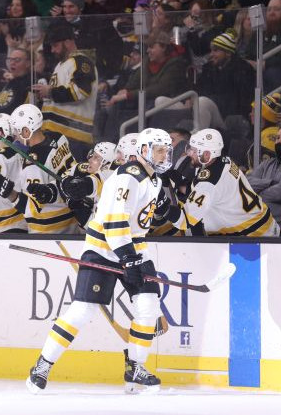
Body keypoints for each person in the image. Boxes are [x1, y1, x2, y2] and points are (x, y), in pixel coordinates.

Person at [26, 128, 175, 395]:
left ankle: (135, 367)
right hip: (103, 249)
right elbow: (114, 223)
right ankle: (42, 365)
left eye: (166, 150)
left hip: (135, 249)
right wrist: (128, 259)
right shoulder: (129, 177)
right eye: (158, 150)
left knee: (148, 305)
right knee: (83, 310)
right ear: (143, 150)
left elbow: (137, 226)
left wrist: (133, 257)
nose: (164, 155)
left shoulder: (154, 181)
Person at [0, 103, 79, 234]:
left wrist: (7, 191)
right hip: (72, 216)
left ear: (26, 131)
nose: (15, 136)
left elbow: (31, 209)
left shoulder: (32, 166)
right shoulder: (58, 137)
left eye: (17, 131)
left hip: (51, 229)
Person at [184, 128, 280, 236]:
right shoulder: (225, 161)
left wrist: (166, 209)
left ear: (207, 154)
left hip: (253, 234)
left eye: (194, 150)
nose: (189, 153)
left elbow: (186, 219)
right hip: (264, 221)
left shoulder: (209, 180)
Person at [33, 20, 97, 159]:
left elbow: (81, 91)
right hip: (57, 133)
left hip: (74, 136)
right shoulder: (61, 65)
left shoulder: (81, 61)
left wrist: (50, 92)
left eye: (55, 45)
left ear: (67, 42)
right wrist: (44, 95)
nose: (52, 50)